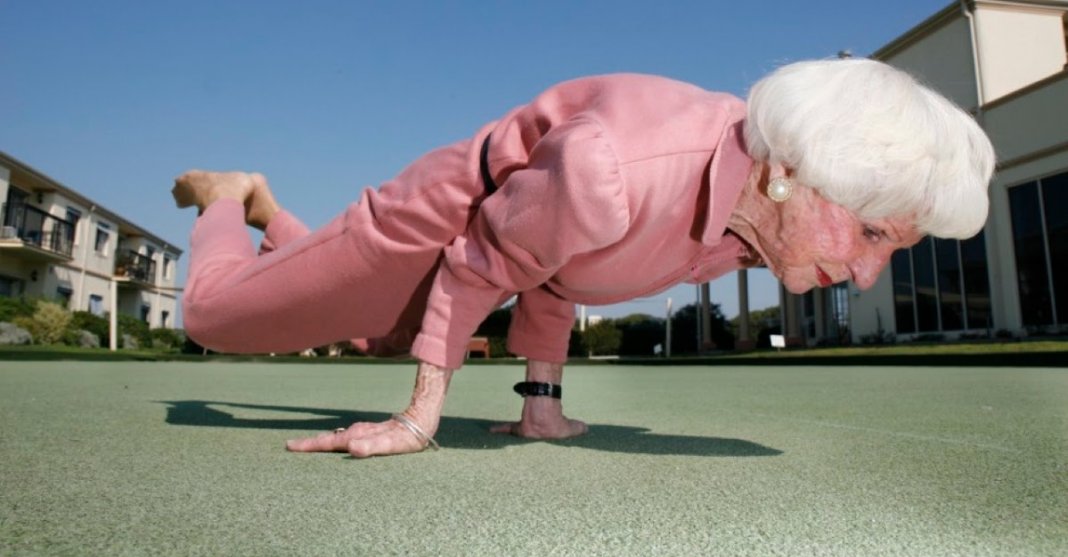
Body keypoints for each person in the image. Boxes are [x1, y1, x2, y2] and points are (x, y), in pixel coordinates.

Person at [172, 58, 995, 459]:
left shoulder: (753, 223)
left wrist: (541, 400)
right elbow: (484, 261)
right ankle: (228, 195)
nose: (866, 273)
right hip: (439, 228)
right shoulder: (616, 171)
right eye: (874, 235)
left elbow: (564, 270)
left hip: (503, 246)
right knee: (215, 316)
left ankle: (275, 220)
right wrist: (420, 416)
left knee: (366, 333)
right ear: (791, 176)